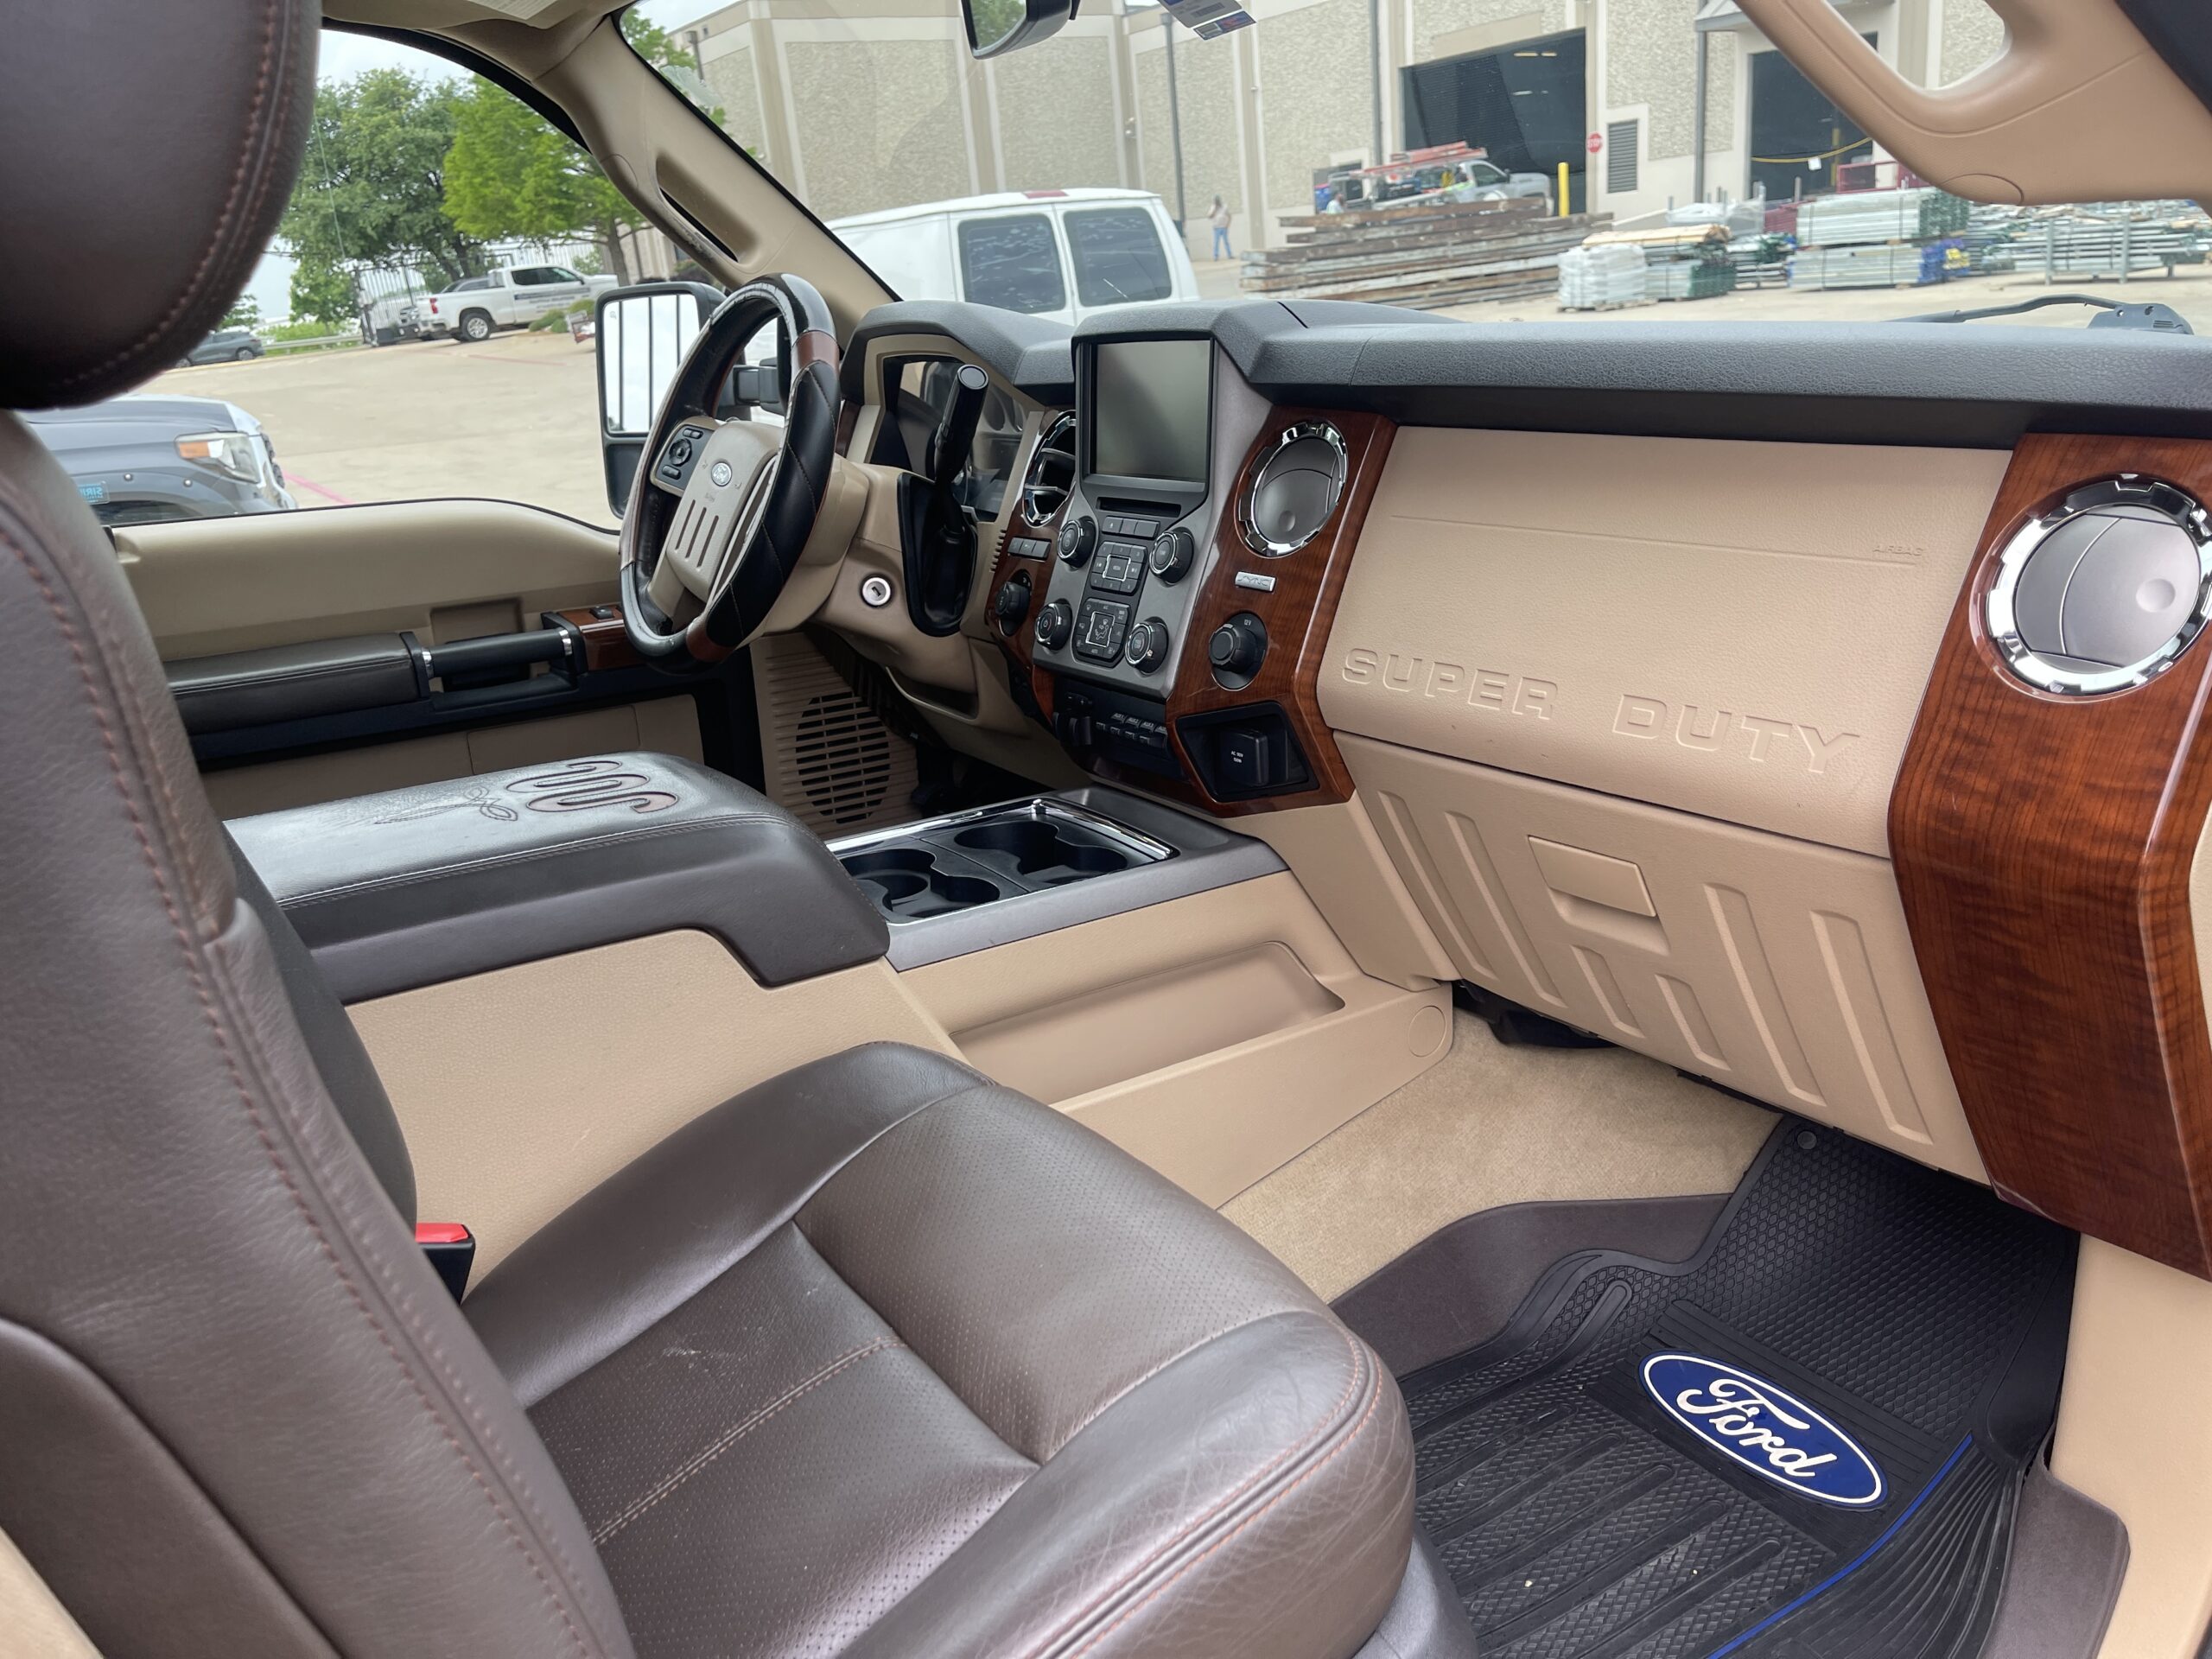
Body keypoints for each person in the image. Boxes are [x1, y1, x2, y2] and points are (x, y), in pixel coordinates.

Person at [1209, 195, 1232, 259]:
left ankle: (1229, 255)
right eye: (1216, 201)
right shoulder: (1212, 207)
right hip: (1216, 228)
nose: (1217, 203)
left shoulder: (1224, 207)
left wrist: (1227, 225)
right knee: (1216, 242)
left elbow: (1229, 216)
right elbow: (1210, 216)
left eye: (1218, 201)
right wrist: (1215, 209)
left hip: (1224, 227)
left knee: (1226, 242)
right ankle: (1216, 256)